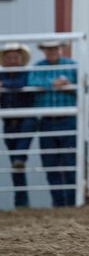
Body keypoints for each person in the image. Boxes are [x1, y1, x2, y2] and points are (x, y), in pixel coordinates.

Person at [29, 41, 78, 207]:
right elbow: (32, 83)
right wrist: (55, 84)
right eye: (48, 49)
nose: (52, 51)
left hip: (68, 119)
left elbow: (82, 86)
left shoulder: (73, 65)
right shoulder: (37, 67)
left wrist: (67, 86)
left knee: (71, 162)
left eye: (54, 48)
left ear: (60, 49)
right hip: (48, 121)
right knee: (51, 163)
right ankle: (58, 202)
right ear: (44, 51)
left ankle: (71, 201)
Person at [0, 42, 36, 208]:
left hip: (26, 119)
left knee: (18, 158)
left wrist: (4, 86)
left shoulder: (27, 73)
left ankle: (20, 157)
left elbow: (23, 84)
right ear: (4, 60)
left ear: (21, 59)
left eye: (15, 57)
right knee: (16, 164)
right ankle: (21, 202)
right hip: (9, 122)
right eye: (9, 58)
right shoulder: (3, 75)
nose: (12, 60)